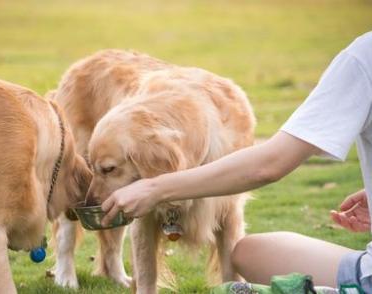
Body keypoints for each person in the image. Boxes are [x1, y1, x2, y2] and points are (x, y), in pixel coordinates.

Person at [100, 31, 372, 290]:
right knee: (247, 252)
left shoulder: (363, 56)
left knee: (250, 253)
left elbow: (270, 164)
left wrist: (154, 188)